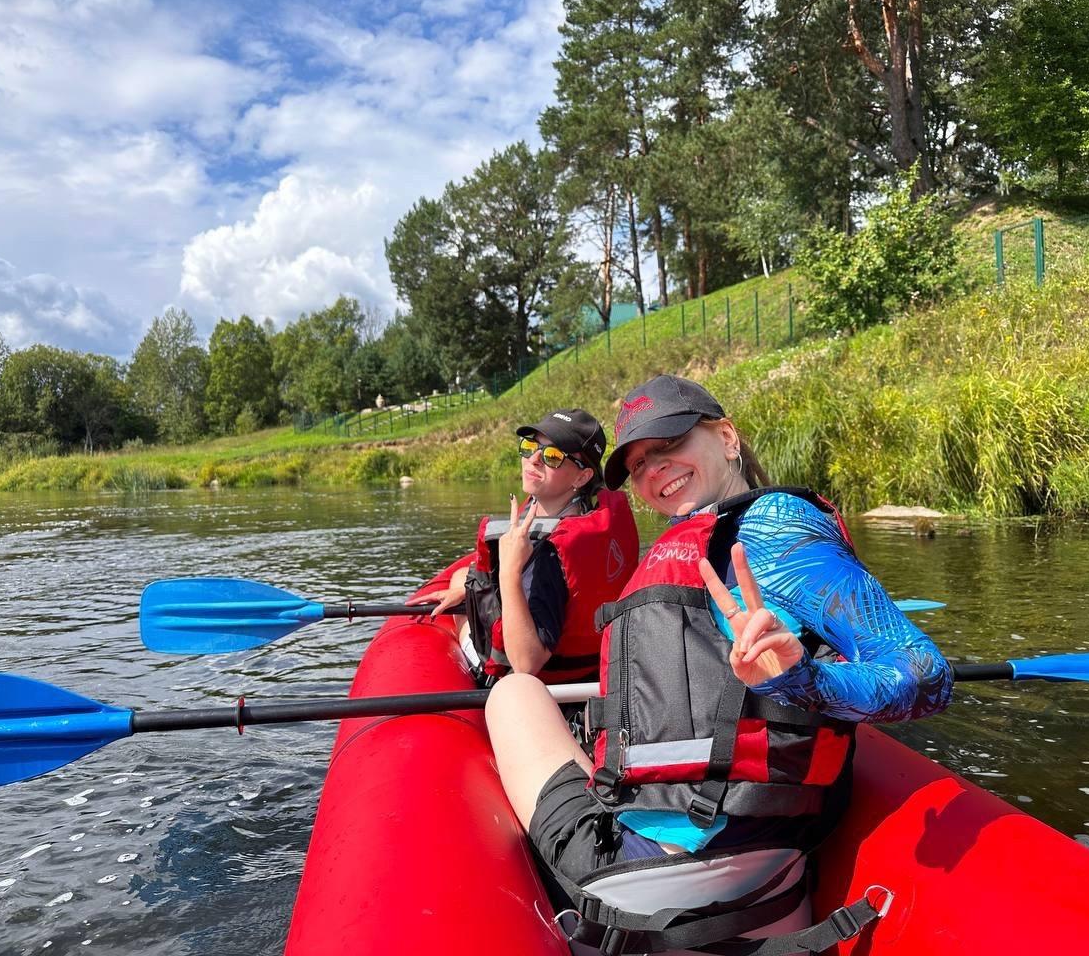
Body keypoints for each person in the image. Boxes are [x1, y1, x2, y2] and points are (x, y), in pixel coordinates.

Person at [485, 376, 953, 953]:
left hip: (636, 870)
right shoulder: (705, 543)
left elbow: (925, 675)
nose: (653, 470)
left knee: (514, 692)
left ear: (727, 436)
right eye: (637, 466)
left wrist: (802, 677)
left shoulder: (776, 525)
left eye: (668, 445)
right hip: (766, 866)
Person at [407, 408, 638, 685]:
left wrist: (508, 573)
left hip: (535, 682)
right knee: (461, 579)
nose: (534, 459)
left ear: (581, 477)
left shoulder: (550, 552)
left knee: (465, 610)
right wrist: (468, 588)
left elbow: (526, 664)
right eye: (530, 447)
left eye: (552, 456)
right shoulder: (597, 515)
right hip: (594, 667)